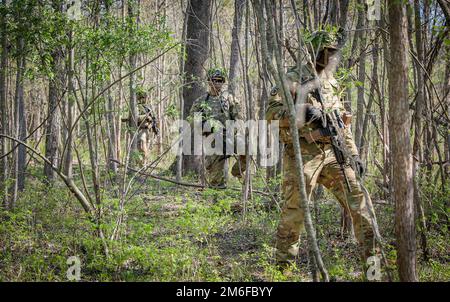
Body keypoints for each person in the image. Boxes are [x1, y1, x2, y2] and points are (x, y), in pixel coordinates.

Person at [266, 30, 378, 267]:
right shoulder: (293, 77)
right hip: (303, 154)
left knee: (360, 202)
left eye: (334, 54)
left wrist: (354, 154)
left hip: (334, 152)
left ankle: (374, 265)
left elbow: (341, 124)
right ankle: (282, 270)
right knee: (294, 212)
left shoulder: (332, 82)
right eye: (327, 53)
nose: (331, 58)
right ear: (315, 52)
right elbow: (271, 114)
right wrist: (305, 112)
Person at [189, 68, 246, 187]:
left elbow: (239, 116)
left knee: (247, 148)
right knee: (215, 178)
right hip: (213, 139)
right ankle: (215, 201)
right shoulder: (201, 101)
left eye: (220, 81)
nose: (218, 83)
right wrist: (208, 127)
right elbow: (193, 121)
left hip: (229, 136)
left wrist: (235, 128)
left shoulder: (229, 99)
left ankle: (236, 171)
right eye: (215, 80)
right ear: (209, 82)